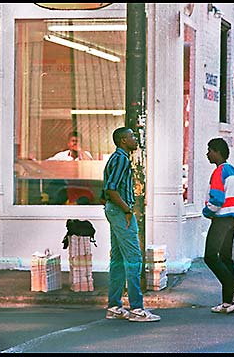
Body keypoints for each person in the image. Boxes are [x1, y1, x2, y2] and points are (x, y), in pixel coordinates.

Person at [102, 127, 160, 322]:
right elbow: (111, 189)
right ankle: (136, 308)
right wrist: (127, 210)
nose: (136, 139)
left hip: (114, 211)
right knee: (134, 257)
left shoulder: (117, 158)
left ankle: (114, 306)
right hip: (120, 212)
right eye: (132, 137)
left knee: (118, 259)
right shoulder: (121, 159)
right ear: (123, 141)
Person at [202, 137, 234, 314]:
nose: (207, 154)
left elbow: (216, 199)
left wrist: (207, 212)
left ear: (217, 152)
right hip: (233, 220)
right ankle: (228, 302)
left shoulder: (219, 172)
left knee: (209, 257)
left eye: (209, 150)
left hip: (221, 220)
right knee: (225, 258)